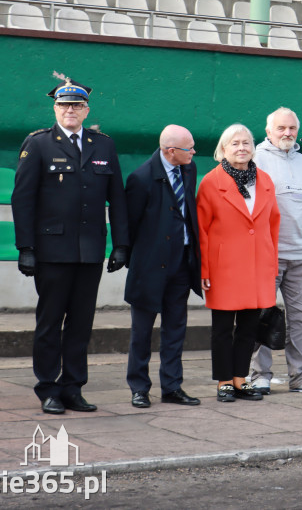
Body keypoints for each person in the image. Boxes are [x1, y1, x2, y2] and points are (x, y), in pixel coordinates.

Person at [11, 78, 129, 415]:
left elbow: (116, 198)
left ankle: (73, 387)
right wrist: (26, 247)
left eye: (77, 106)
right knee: (50, 323)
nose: (70, 111)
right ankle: (48, 388)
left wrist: (120, 243)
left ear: (86, 109)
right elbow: (23, 199)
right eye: (64, 105)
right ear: (55, 109)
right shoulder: (39, 144)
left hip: (90, 250)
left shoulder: (103, 146)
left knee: (81, 323)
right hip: (51, 252)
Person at [249, 107, 302, 394]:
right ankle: (260, 376)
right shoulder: (255, 159)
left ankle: (301, 377)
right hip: (267, 256)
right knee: (261, 318)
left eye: (292, 128)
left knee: (301, 319)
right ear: (268, 130)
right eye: (281, 128)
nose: (287, 133)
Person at [124, 125, 203, 409]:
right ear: (171, 151)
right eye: (189, 148)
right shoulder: (141, 178)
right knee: (142, 331)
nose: (194, 152)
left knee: (175, 328)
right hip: (149, 266)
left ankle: (172, 386)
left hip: (181, 262)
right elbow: (130, 226)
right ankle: (139, 387)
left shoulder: (189, 170)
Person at [198, 124, 278, 402]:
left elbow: (272, 224)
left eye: (246, 142)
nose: (241, 147)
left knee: (249, 327)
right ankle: (224, 382)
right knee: (222, 329)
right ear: (223, 149)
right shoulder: (211, 181)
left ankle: (240, 379)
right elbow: (202, 229)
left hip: (258, 266)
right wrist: (204, 269)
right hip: (224, 268)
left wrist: (271, 262)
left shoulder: (265, 180)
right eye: (235, 143)